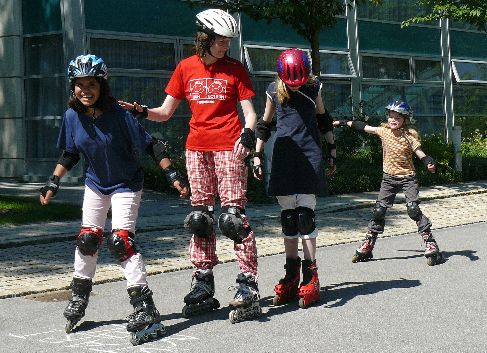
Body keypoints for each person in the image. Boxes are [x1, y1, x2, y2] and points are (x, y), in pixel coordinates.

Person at [119, 9, 261, 323]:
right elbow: (165, 111)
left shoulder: (235, 69)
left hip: (229, 147)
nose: (225, 46)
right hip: (197, 149)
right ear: (204, 40)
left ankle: (247, 284)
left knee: (234, 218)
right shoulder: (186, 68)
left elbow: (250, 112)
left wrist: (249, 134)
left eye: (227, 41)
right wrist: (142, 111)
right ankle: (203, 282)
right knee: (201, 218)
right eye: (220, 40)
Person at [39, 54, 189, 345]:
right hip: (96, 184)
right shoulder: (73, 116)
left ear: (102, 85)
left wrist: (172, 175)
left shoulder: (120, 115)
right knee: (87, 238)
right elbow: (70, 153)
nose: (85, 90)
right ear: (73, 88)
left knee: (121, 240)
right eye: (79, 85)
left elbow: (152, 145)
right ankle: (79, 297)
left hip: (126, 184)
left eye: (91, 84)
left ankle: (144, 306)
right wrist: (53, 182)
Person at [252, 48, 337, 308]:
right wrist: (256, 154)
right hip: (285, 155)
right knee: (289, 218)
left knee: (305, 215)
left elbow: (323, 119)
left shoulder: (314, 88)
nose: (296, 84)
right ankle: (292, 274)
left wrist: (332, 149)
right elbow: (264, 125)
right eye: (291, 81)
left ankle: (311, 276)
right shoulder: (272, 90)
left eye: (299, 80)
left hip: (309, 153)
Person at [334, 100, 442, 266]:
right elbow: (363, 127)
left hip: (408, 178)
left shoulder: (409, 136)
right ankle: (369, 243)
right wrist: (343, 122)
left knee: (413, 209)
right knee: (379, 211)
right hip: (389, 179)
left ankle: (430, 242)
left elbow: (420, 153)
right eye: (391, 117)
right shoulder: (384, 131)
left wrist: (428, 162)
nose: (393, 120)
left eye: (397, 118)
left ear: (405, 120)